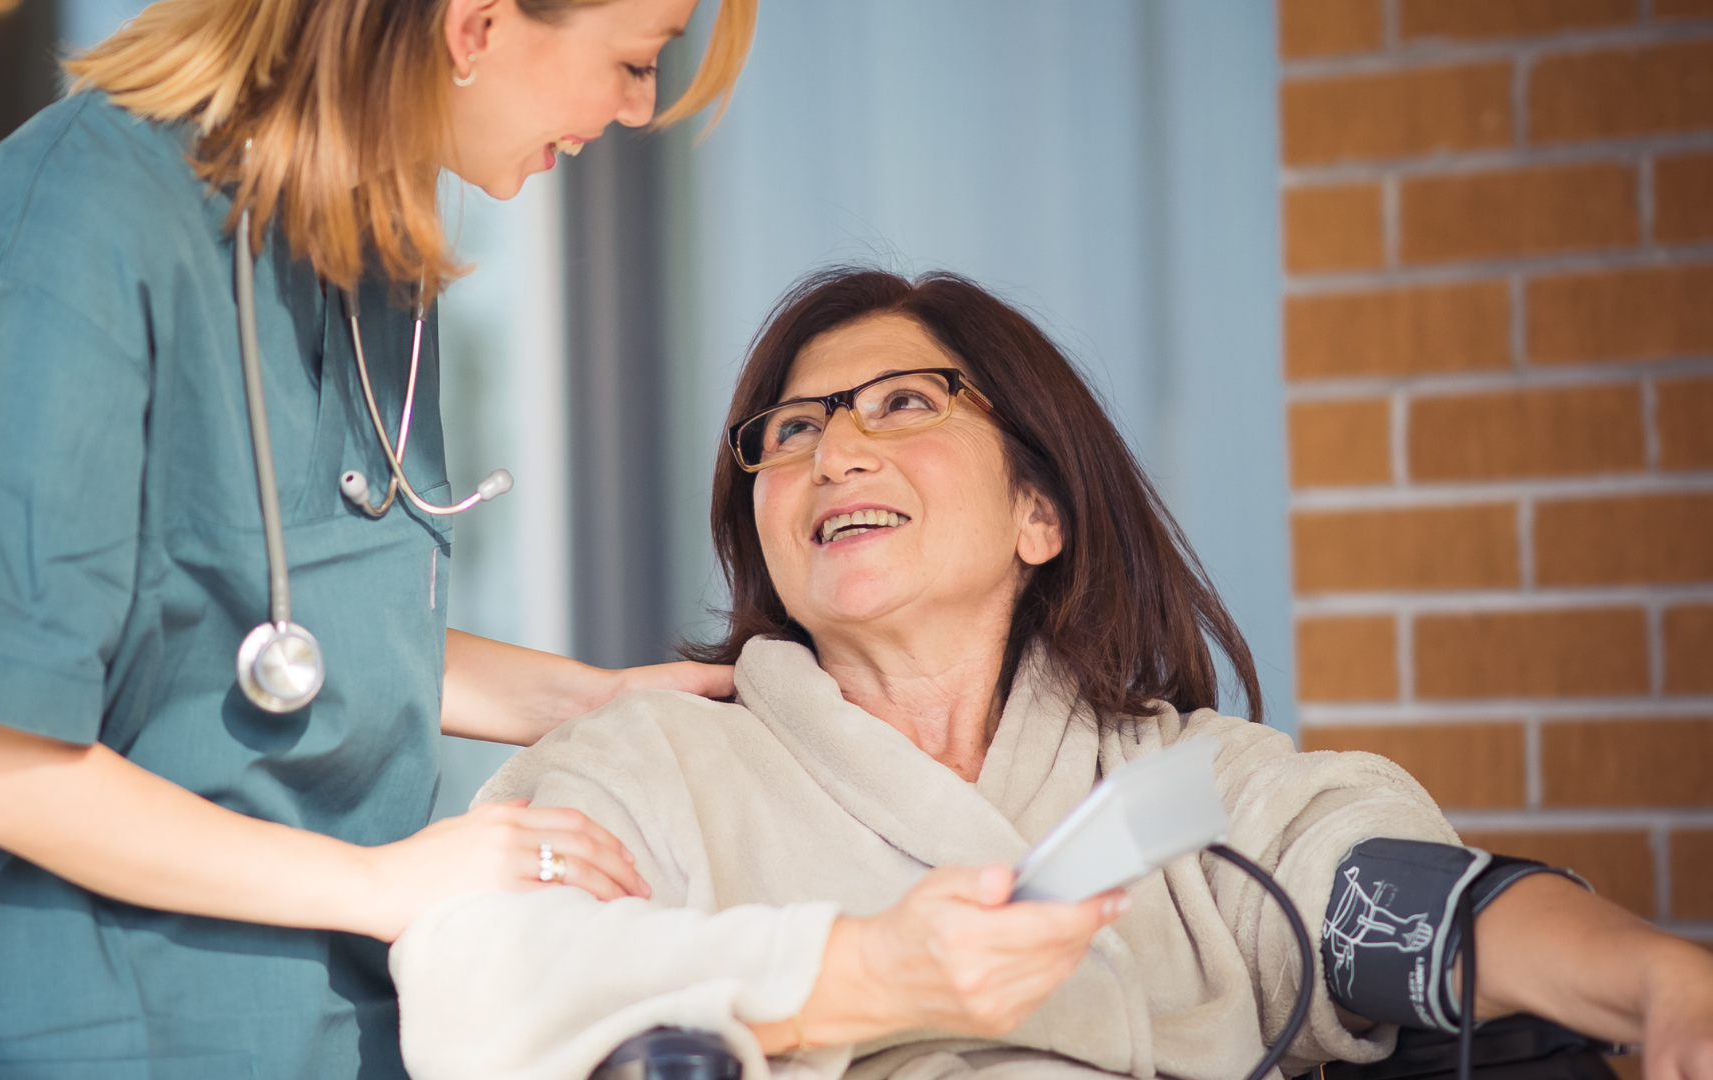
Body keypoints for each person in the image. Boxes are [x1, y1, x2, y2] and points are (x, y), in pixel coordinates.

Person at [387, 269, 1713, 1080]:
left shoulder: (1177, 783)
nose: (834, 449)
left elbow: (1402, 899)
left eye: (904, 403)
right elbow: (476, 979)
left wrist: (1658, 981)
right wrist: (866, 977)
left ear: (1041, 512)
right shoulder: (653, 761)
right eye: (791, 431)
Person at [0, 0, 755, 1076]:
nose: (638, 107)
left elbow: (277, 629)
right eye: (635, 62)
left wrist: (590, 705)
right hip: (71, 1033)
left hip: (327, 1027)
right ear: (478, 25)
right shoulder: (72, 236)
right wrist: (390, 882)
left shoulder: (359, 250)